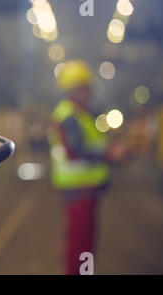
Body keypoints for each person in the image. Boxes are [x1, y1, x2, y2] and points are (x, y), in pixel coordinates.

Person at [48, 60, 124, 275]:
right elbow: (76, 150)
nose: (89, 92)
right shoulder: (69, 115)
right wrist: (109, 154)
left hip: (85, 189)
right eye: (85, 87)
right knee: (81, 247)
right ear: (74, 89)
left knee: (84, 246)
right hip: (78, 189)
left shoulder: (78, 114)